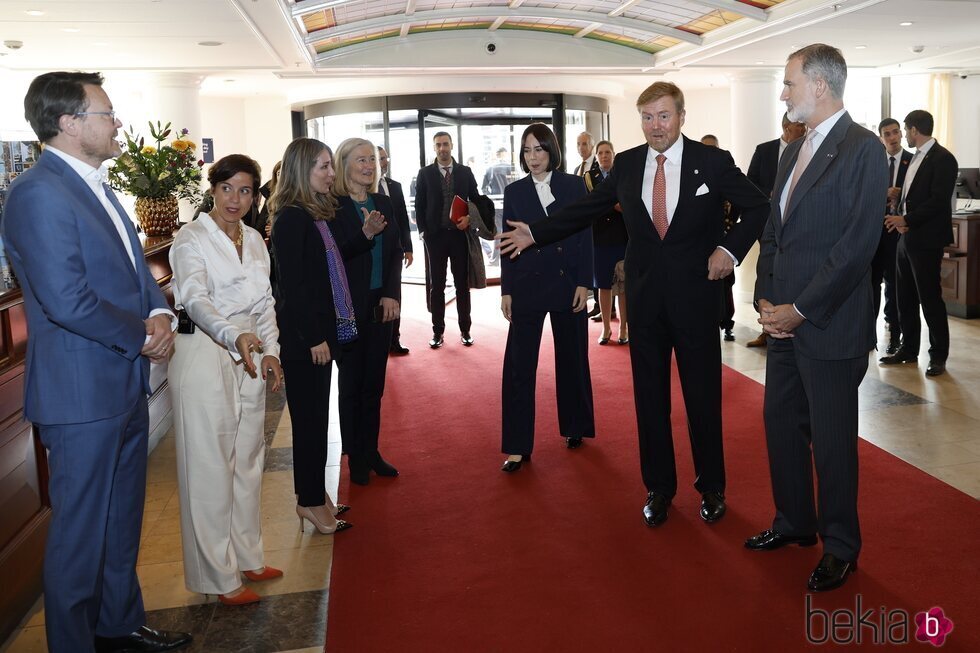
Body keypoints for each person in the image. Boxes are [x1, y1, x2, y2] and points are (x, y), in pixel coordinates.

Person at [498, 81, 769, 527]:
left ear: (681, 116)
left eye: (663, 116)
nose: (655, 126)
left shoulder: (711, 163)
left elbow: (758, 207)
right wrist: (537, 232)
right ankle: (659, 488)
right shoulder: (625, 165)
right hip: (644, 302)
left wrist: (729, 250)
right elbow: (583, 211)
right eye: (647, 117)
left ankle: (711, 486)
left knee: (702, 398)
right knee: (650, 400)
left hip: (696, 301)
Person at [1, 71, 191, 652]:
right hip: (82, 395)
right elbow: (66, 300)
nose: (118, 124)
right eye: (107, 113)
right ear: (68, 123)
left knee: (120, 519)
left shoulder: (99, 186)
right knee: (79, 536)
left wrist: (160, 314)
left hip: (120, 383)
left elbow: (135, 271)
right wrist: (140, 334)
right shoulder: (36, 193)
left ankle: (118, 622)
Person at [747, 44, 888, 592]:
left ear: (821, 86)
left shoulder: (863, 149)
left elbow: (856, 247)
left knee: (831, 443)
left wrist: (800, 310)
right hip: (782, 321)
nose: (783, 94)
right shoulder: (791, 151)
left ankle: (840, 546)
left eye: (789, 83)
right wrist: (765, 299)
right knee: (781, 428)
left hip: (827, 324)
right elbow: (774, 232)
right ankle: (794, 523)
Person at [168, 154, 285, 606]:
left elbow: (265, 303)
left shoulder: (255, 238)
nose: (236, 199)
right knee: (210, 466)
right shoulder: (190, 237)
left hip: (251, 353)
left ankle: (248, 555)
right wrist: (235, 336)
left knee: (249, 457)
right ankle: (217, 577)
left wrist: (271, 351)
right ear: (212, 189)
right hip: (205, 352)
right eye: (227, 189)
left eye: (246, 191)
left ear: (256, 195)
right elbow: (194, 299)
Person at [269, 138, 354, 535]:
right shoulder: (291, 218)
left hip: (317, 333)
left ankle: (316, 496)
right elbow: (294, 287)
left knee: (317, 420)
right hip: (306, 339)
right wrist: (314, 336)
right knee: (309, 423)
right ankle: (308, 502)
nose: (331, 173)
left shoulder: (314, 214)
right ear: (303, 170)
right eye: (323, 166)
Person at [499, 124, 594, 472]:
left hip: (567, 282)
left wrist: (586, 282)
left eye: (538, 149)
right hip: (526, 286)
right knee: (518, 368)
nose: (533, 157)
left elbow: (585, 234)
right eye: (526, 151)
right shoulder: (514, 191)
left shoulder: (572, 185)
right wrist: (506, 288)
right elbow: (508, 243)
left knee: (572, 360)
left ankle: (576, 427)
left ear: (551, 150)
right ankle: (517, 446)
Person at [331, 138, 403, 485]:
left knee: (374, 384)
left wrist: (391, 295)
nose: (368, 166)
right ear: (343, 164)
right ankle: (354, 456)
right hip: (348, 307)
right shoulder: (332, 207)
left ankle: (371, 450)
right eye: (360, 160)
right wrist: (364, 233)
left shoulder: (385, 202)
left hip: (380, 306)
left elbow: (395, 252)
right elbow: (334, 259)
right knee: (351, 385)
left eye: (371, 160)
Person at [879, 110, 958, 377]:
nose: (903, 135)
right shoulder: (916, 158)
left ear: (913, 130)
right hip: (906, 237)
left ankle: (938, 356)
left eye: (905, 130)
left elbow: (937, 202)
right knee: (905, 297)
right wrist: (899, 214)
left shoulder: (943, 159)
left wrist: (906, 218)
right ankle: (909, 349)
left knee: (930, 299)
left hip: (926, 238)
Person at [745, 113, 807, 347]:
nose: (802, 129)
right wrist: (769, 194)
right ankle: (767, 326)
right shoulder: (765, 150)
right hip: (770, 224)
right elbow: (750, 183)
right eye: (798, 125)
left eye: (803, 125)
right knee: (768, 270)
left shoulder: (806, 149)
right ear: (785, 126)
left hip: (797, 225)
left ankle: (790, 319)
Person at [414, 131, 479, 348]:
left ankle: (465, 330)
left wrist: (470, 218)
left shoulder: (465, 172)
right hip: (435, 238)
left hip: (460, 236)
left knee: (462, 284)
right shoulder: (424, 174)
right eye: (438, 145)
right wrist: (423, 232)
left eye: (445, 144)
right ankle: (437, 332)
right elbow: (419, 205)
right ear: (434, 148)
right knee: (437, 286)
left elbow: (477, 200)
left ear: (452, 146)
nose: (442, 148)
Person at [873, 118, 913, 356]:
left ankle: (895, 335)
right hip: (876, 232)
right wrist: (883, 194)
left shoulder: (912, 161)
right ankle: (869, 334)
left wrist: (901, 198)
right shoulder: (874, 161)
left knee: (896, 287)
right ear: (881, 137)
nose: (893, 137)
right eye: (887, 134)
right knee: (872, 284)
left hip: (899, 233)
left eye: (896, 132)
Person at [587, 139, 628, 344]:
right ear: (596, 157)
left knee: (623, 286)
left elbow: (628, 203)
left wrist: (612, 203)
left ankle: (623, 328)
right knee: (603, 285)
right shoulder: (588, 177)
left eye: (608, 152)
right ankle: (605, 328)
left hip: (622, 237)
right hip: (600, 238)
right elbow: (592, 205)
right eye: (601, 153)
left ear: (614, 154)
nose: (604, 156)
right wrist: (613, 204)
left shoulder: (623, 175)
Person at [700, 134, 737, 342]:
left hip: (724, 243)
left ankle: (727, 324)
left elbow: (737, 208)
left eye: (712, 148)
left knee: (726, 287)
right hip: (700, 249)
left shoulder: (725, 172)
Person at [378, 145, 413, 355]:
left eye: (384, 158)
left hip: (395, 250)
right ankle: (379, 341)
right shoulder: (365, 187)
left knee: (395, 293)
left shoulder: (396, 186)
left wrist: (407, 247)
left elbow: (402, 219)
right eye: (378, 158)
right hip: (373, 248)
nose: (382, 162)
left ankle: (394, 339)